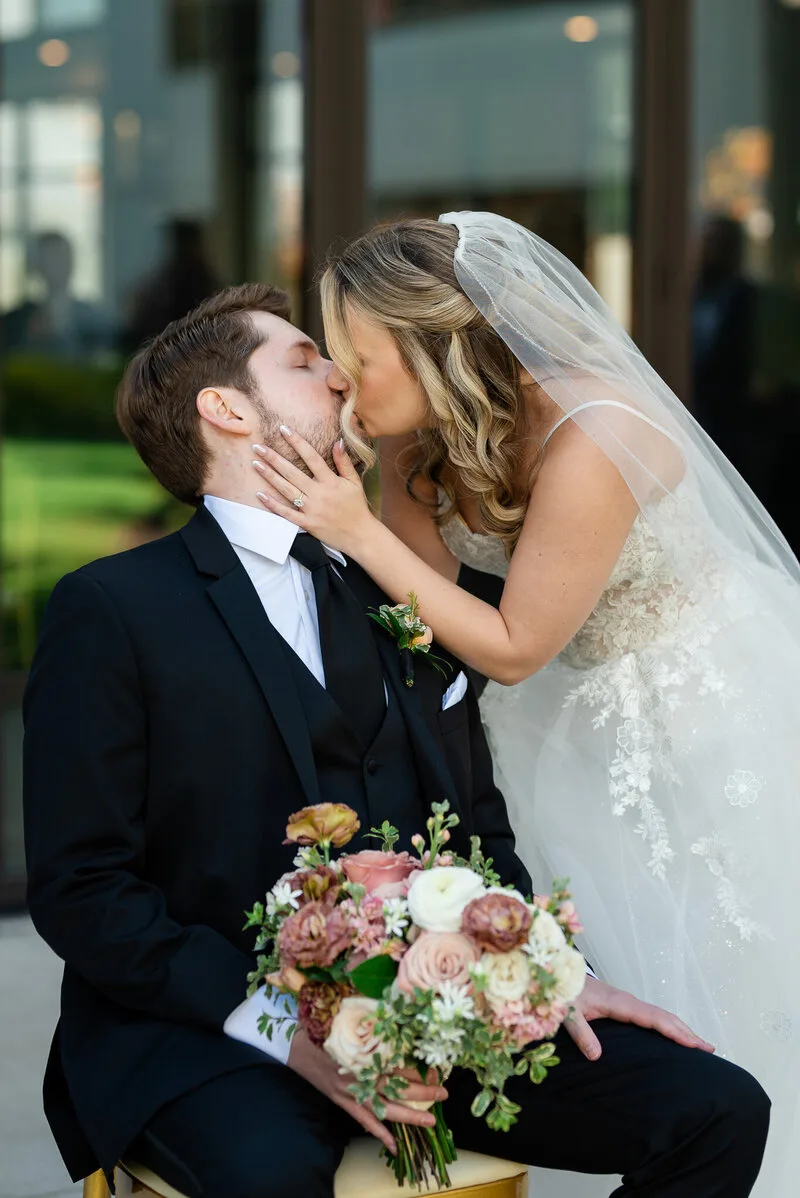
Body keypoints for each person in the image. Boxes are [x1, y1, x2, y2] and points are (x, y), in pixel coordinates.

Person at [23, 283, 768, 1198]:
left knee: (717, 1110)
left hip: (436, 1014)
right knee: (273, 1178)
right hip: (213, 1037)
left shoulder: (401, 589)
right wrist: (283, 1027)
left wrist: (545, 969)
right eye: (303, 361)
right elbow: (84, 890)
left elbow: (478, 824)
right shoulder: (112, 609)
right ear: (224, 410)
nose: (339, 374)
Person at [250, 213, 799, 1196]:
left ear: (428, 345)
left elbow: (513, 645)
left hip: (694, 705)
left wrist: (354, 530)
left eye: (356, 358)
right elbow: (411, 613)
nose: (340, 382)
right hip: (566, 716)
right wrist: (353, 503)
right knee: (602, 957)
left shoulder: (595, 433)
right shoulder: (419, 442)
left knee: (729, 944)